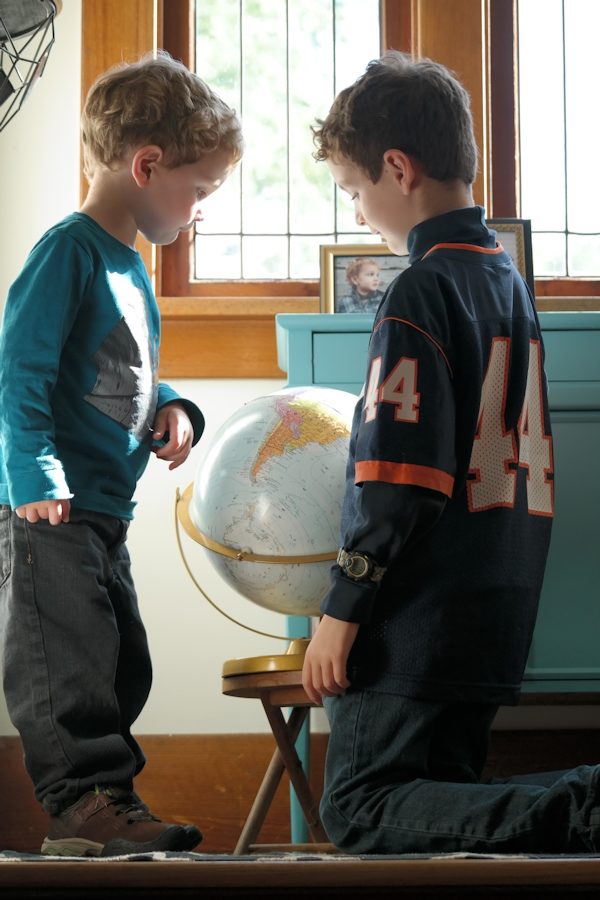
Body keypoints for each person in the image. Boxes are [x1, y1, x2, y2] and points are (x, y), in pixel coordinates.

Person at [302, 51, 598, 855]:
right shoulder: (505, 279)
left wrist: (342, 611)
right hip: (494, 609)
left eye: (355, 192)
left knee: (362, 812)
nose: (359, 214)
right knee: (444, 827)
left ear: (397, 169)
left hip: (417, 622)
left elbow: (399, 476)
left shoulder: (420, 288)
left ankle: (586, 803)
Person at [0, 52, 243, 857]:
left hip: (106, 508)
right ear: (147, 164)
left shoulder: (131, 267)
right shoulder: (67, 253)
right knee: (67, 664)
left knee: (118, 661)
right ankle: (84, 805)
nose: (201, 209)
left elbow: (120, 370)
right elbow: (21, 368)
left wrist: (172, 405)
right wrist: (32, 474)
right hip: (51, 508)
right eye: (201, 188)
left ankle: (112, 803)